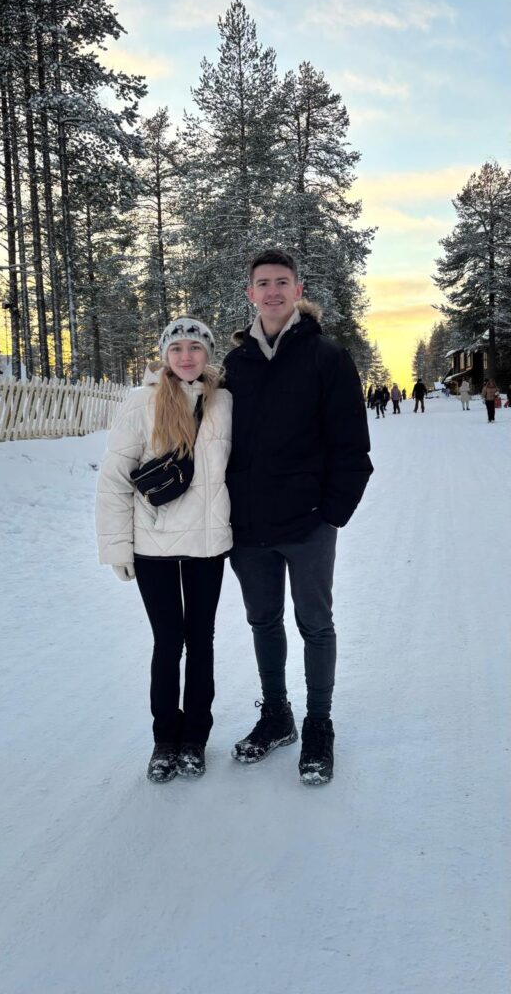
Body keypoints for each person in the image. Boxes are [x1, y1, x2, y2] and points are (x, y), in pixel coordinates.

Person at [223, 248, 373, 786]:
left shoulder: (326, 357)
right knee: (263, 622)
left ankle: (318, 724)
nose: (272, 291)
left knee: (315, 625)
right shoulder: (234, 366)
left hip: (309, 525)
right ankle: (277, 716)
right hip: (249, 530)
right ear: (250, 293)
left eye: (282, 282)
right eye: (262, 282)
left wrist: (329, 514)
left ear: (298, 289)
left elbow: (353, 447)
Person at [95, 318, 232, 783]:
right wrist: (118, 547)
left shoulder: (226, 403)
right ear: (164, 355)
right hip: (153, 545)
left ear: (208, 353)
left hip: (207, 546)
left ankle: (195, 738)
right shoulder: (141, 403)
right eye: (177, 348)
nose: (186, 356)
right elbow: (113, 481)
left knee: (202, 642)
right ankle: (163, 740)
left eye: (196, 347)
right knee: (167, 643)